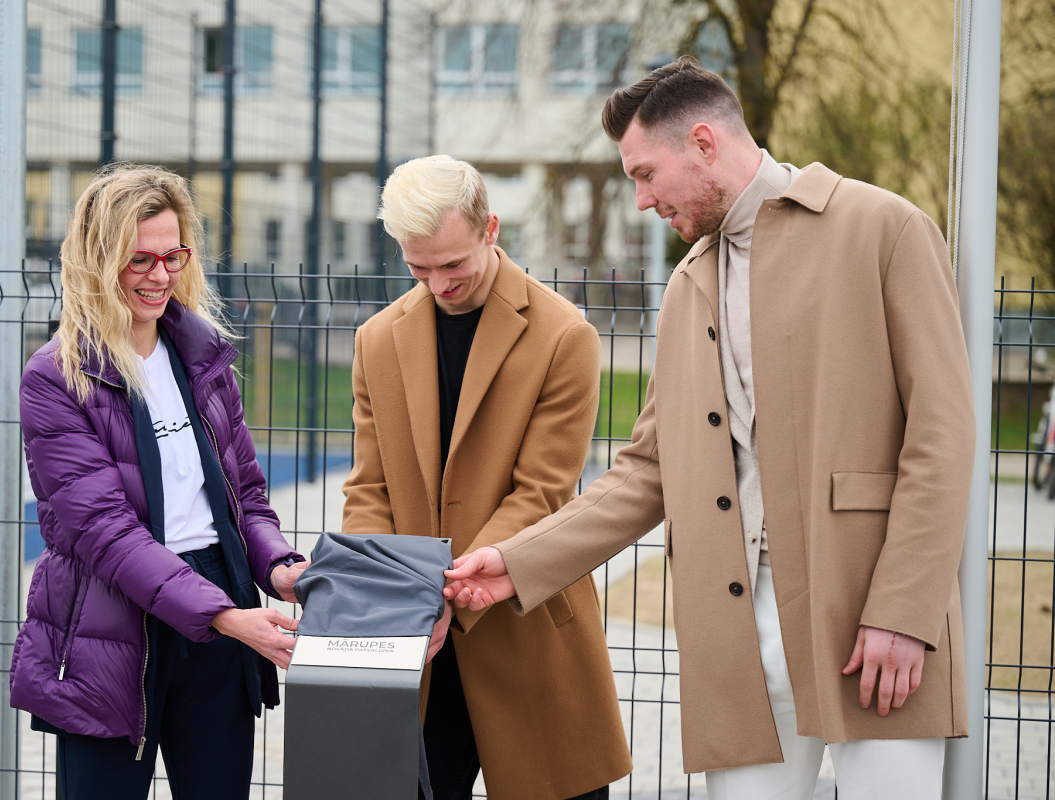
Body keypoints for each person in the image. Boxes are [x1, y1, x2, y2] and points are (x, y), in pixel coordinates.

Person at [444, 58, 975, 800]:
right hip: (737, 635)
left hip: (871, 621)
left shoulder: (883, 228)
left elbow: (943, 438)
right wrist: (515, 560)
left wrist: (904, 611)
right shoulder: (689, 283)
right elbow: (646, 470)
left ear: (702, 142)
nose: (640, 201)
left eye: (646, 173)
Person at [10, 163, 307, 799]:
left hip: (218, 603)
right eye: (139, 259)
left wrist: (281, 569)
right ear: (97, 260)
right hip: (111, 625)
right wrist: (228, 616)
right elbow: (106, 535)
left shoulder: (203, 359)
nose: (161, 275)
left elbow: (243, 499)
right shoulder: (58, 378)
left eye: (173, 255)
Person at [342, 155, 632, 800]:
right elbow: (369, 490)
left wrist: (434, 598)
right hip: (414, 641)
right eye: (418, 268)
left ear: (490, 229)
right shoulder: (376, 339)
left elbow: (541, 493)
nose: (438, 284)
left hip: (524, 625)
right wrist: (390, 604)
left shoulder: (564, 335)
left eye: (453, 265)